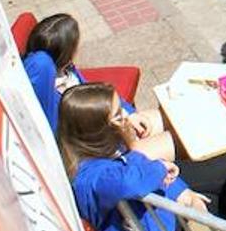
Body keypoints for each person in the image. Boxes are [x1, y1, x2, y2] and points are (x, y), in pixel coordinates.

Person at [60, 83, 207, 231]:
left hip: (150, 219)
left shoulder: (96, 152)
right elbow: (131, 181)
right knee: (221, 183)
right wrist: (161, 168)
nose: (126, 116)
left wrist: (182, 192)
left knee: (209, 174)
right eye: (118, 115)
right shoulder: (93, 178)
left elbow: (136, 165)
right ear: (99, 129)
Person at [22, 13, 170, 158]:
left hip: (115, 123)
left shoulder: (68, 72)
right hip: (107, 146)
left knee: (165, 119)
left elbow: (100, 97)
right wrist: (125, 131)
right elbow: (87, 135)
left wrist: (129, 114)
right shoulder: (54, 96)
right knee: (171, 141)